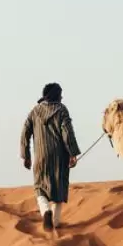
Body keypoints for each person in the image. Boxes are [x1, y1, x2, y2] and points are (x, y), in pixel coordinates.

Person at [20, 82, 81, 232]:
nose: (62, 97)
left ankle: (45, 210)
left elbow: (25, 133)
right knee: (59, 189)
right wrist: (72, 153)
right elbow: (67, 132)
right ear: (57, 96)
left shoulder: (35, 111)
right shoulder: (61, 110)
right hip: (60, 157)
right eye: (60, 94)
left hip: (41, 156)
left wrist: (26, 155)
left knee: (40, 188)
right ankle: (55, 222)